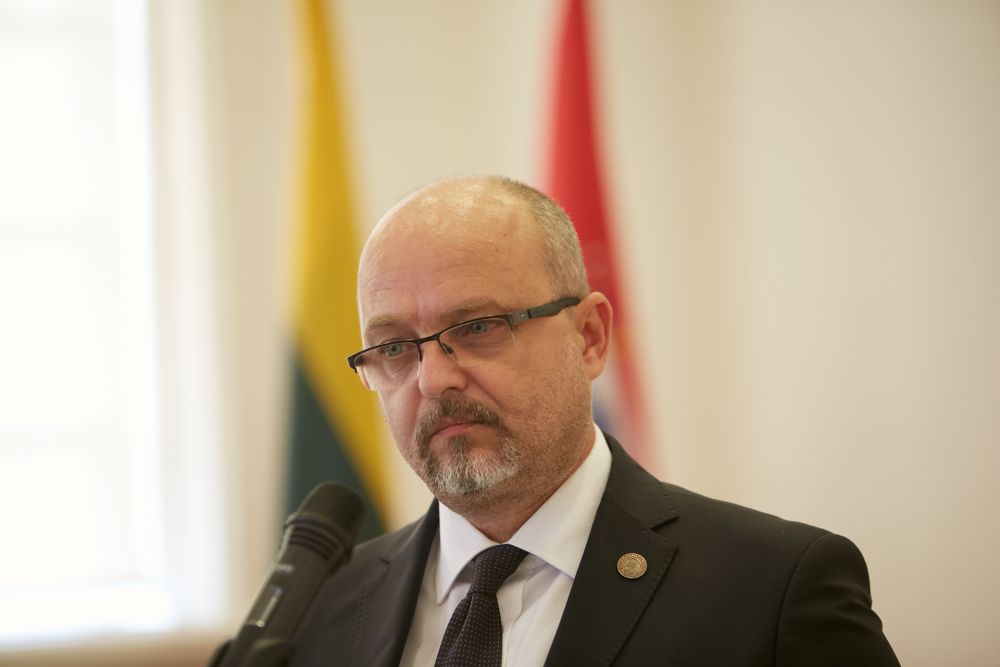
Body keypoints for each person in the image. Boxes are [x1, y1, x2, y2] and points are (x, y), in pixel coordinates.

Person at [290, 176, 898, 665]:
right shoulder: (322, 605)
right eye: (394, 348)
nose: (432, 379)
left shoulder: (772, 592)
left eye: (478, 328)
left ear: (589, 337)